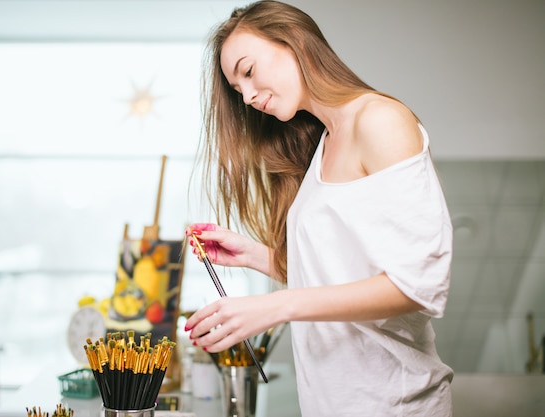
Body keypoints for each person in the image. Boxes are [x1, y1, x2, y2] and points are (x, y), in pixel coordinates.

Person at [184, 1, 454, 415]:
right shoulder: (324, 144)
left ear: (293, 41)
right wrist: (259, 256)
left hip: (394, 404)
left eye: (249, 72)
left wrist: (274, 307)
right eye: (239, 91)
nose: (250, 97)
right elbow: (342, 279)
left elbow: (418, 283)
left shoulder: (379, 120)